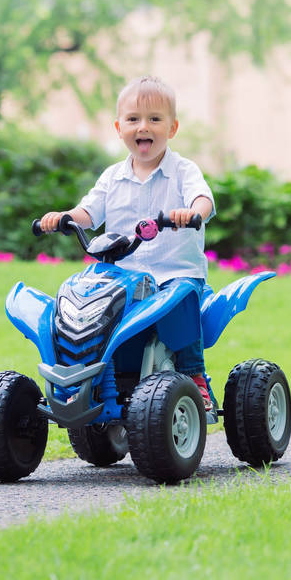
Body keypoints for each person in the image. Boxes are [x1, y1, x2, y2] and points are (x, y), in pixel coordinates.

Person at [38, 74, 216, 410]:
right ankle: (88, 378)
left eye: (154, 119)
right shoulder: (112, 177)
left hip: (173, 272)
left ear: (173, 128)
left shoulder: (183, 171)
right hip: (125, 276)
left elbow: (203, 199)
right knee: (88, 307)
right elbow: (89, 212)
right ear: (119, 128)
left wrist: (192, 212)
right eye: (133, 119)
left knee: (181, 298)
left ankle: (194, 375)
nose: (143, 127)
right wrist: (65, 217)